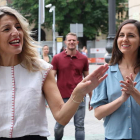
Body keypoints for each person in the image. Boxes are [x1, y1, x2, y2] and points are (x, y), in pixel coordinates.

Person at [0, 6, 109, 140]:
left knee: (79, 126)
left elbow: (61, 116)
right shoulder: (57, 58)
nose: (16, 32)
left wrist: (79, 93)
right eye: (7, 29)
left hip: (34, 136)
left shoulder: (41, 69)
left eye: (18, 27)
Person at [90, 19, 140, 140]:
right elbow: (98, 114)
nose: (125, 39)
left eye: (131, 35)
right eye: (121, 35)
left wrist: (134, 92)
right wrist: (122, 99)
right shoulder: (105, 72)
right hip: (113, 137)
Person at [52, 32, 92, 140]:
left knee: (79, 126)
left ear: (77, 42)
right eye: (69, 40)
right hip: (62, 98)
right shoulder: (57, 58)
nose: (71, 42)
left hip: (79, 97)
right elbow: (51, 79)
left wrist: (92, 98)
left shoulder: (83, 59)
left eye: (74, 40)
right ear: (65, 42)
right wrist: (50, 98)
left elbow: (88, 79)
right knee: (59, 126)